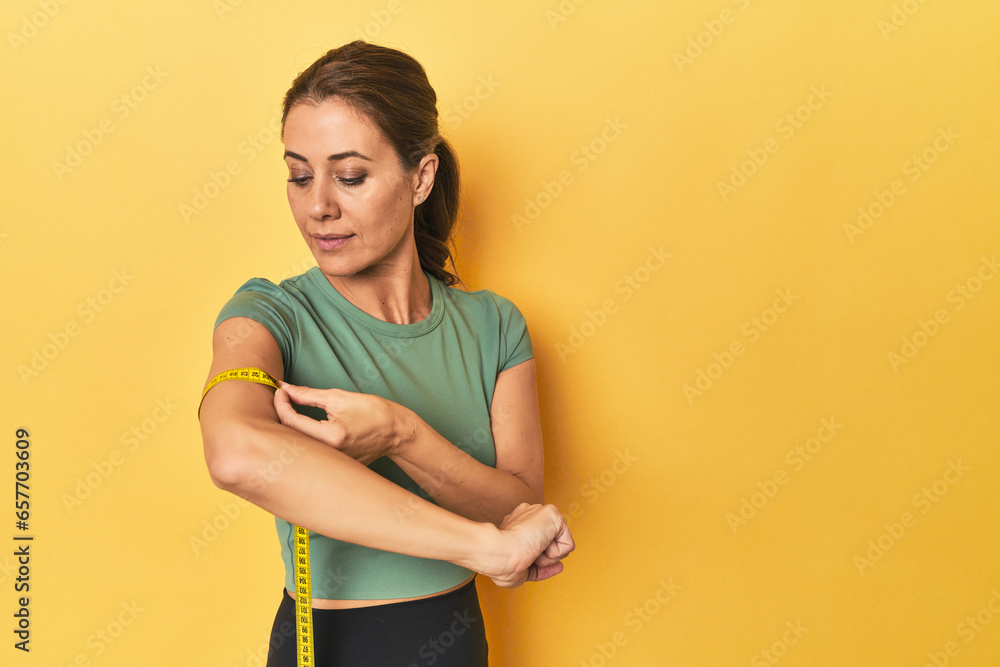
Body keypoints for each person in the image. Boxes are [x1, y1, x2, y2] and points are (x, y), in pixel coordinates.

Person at [198, 40, 574, 666]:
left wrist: (401, 434)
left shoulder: (495, 326)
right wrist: (481, 549)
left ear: (420, 177)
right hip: (331, 643)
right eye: (298, 175)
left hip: (456, 641)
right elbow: (235, 453)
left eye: (349, 176)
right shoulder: (267, 316)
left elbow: (520, 507)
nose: (318, 204)